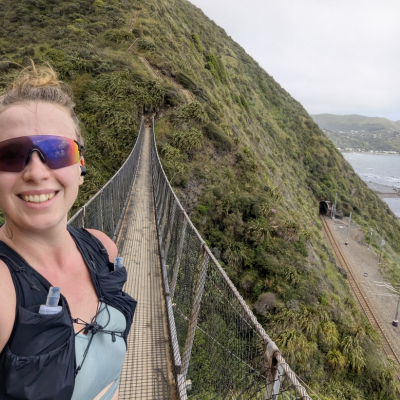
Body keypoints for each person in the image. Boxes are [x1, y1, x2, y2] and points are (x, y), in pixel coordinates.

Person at [0, 63, 136, 400]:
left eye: (58, 151)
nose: (36, 172)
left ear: (81, 168)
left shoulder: (103, 248)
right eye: (11, 155)